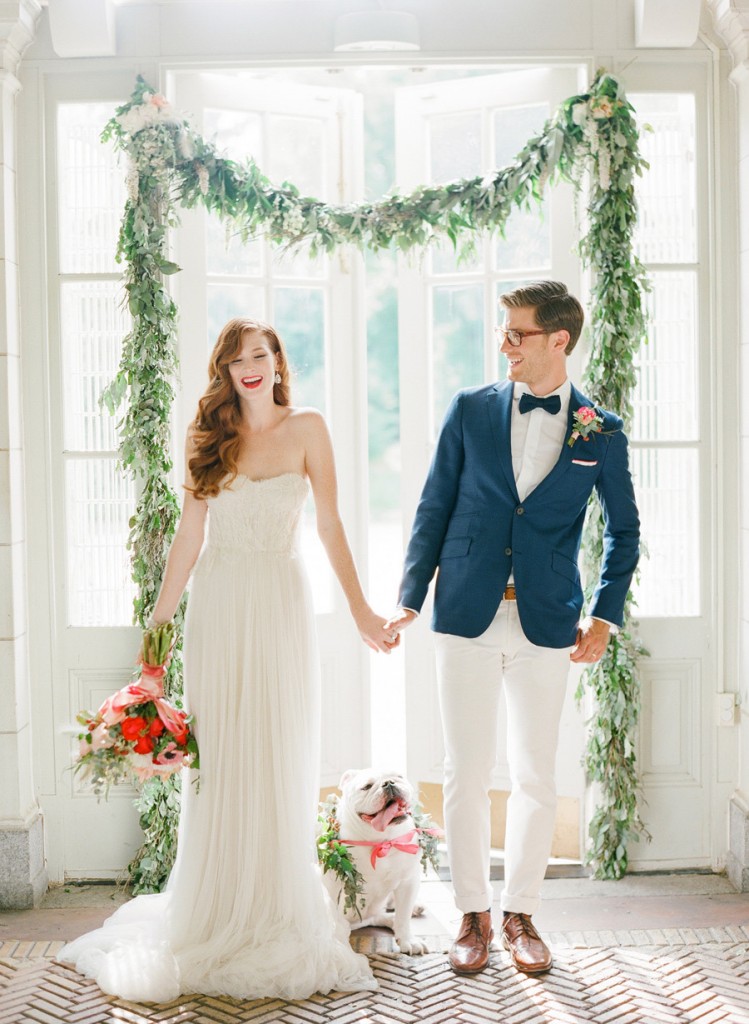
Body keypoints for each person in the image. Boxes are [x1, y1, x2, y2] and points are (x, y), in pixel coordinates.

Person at [60, 317, 398, 1002]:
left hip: (278, 597)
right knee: (222, 755)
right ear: (224, 369)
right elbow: (190, 535)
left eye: (261, 355)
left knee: (275, 746)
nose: (250, 367)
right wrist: (157, 634)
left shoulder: (308, 428)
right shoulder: (208, 436)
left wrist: (362, 610)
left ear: (278, 362)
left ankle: (272, 907)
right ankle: (217, 907)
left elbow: (330, 523)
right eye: (238, 358)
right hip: (218, 604)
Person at [385, 281, 639, 976]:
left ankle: (521, 912)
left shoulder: (600, 430)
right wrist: (411, 596)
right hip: (465, 612)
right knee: (463, 772)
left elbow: (623, 530)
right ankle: (470, 913)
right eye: (502, 330)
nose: (503, 343)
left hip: (547, 621)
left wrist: (604, 614)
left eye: (517, 332)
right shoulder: (469, 410)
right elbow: (433, 506)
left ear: (558, 340)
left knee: (533, 775)